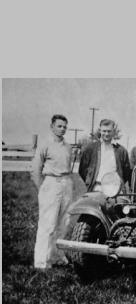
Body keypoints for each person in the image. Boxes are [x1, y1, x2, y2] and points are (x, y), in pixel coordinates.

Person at [31, 114, 73, 269]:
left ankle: (57, 257)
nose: (62, 129)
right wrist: (42, 188)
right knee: (48, 224)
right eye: (59, 126)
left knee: (64, 223)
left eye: (64, 127)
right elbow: (36, 169)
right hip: (51, 183)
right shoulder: (45, 145)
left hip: (66, 182)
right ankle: (41, 262)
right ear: (52, 127)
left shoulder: (68, 147)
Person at [79, 119, 131, 192]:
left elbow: (126, 172)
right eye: (104, 131)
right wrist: (90, 180)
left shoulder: (121, 150)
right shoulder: (91, 148)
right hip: (97, 187)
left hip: (115, 188)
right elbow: (82, 169)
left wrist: (118, 183)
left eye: (109, 131)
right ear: (100, 131)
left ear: (113, 131)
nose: (106, 134)